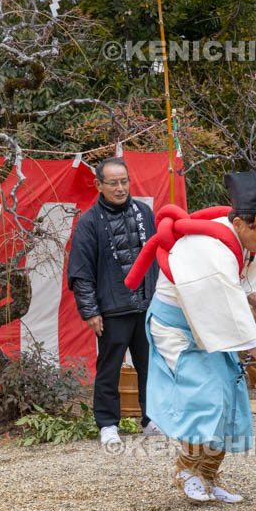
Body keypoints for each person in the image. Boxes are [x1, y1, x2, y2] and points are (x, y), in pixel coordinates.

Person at [125, 169, 256, 504]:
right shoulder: (211, 252)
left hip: (210, 322)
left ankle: (209, 475)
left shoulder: (244, 243)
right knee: (207, 395)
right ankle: (186, 469)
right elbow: (231, 312)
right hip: (178, 328)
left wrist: (252, 297)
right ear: (242, 223)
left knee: (231, 397)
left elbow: (237, 287)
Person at [67, 157, 159, 447]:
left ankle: (152, 417)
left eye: (124, 181)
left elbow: (159, 259)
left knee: (151, 366)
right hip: (111, 309)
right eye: (113, 183)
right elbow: (81, 272)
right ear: (99, 185)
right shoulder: (89, 222)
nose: (120, 188)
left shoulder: (144, 213)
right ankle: (108, 423)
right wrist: (90, 311)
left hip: (147, 305)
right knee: (110, 368)